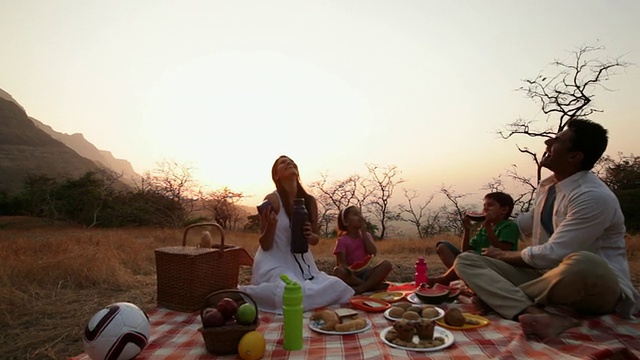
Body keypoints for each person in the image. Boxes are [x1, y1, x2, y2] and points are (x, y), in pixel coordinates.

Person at [453, 119, 640, 340]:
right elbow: (527, 225)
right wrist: (492, 218)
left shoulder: (592, 196)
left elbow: (554, 254)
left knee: (583, 262)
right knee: (466, 260)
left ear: (574, 156)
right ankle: (537, 313)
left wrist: (503, 255)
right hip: (546, 277)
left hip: (592, 285)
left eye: (558, 139)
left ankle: (499, 298)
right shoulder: (549, 187)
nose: (548, 141)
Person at [238, 155, 355, 313]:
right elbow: (265, 245)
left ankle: (302, 300)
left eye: (291, 161)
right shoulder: (273, 200)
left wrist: (309, 235)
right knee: (291, 291)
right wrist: (271, 225)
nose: (289, 163)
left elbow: (315, 239)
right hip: (275, 263)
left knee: (338, 286)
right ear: (276, 175)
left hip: (304, 266)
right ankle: (244, 293)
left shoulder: (309, 201)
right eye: (283, 162)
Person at [427, 192, 519, 287]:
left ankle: (446, 279)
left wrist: (488, 227)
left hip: (493, 266)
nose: (485, 209)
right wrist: (467, 230)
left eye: (490, 205)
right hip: (473, 262)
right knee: (442, 246)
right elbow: (465, 251)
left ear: (504, 210)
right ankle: (463, 276)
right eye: (484, 206)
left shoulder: (509, 226)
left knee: (467, 258)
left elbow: (503, 250)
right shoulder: (483, 228)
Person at [332, 205, 393, 294]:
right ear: (346, 222)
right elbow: (341, 264)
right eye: (355, 214)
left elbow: (372, 252)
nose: (360, 217)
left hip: (367, 273)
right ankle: (370, 286)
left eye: (360, 214)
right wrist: (351, 272)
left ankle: (361, 288)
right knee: (337, 271)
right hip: (351, 276)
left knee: (387, 264)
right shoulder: (342, 240)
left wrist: (363, 233)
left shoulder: (366, 236)